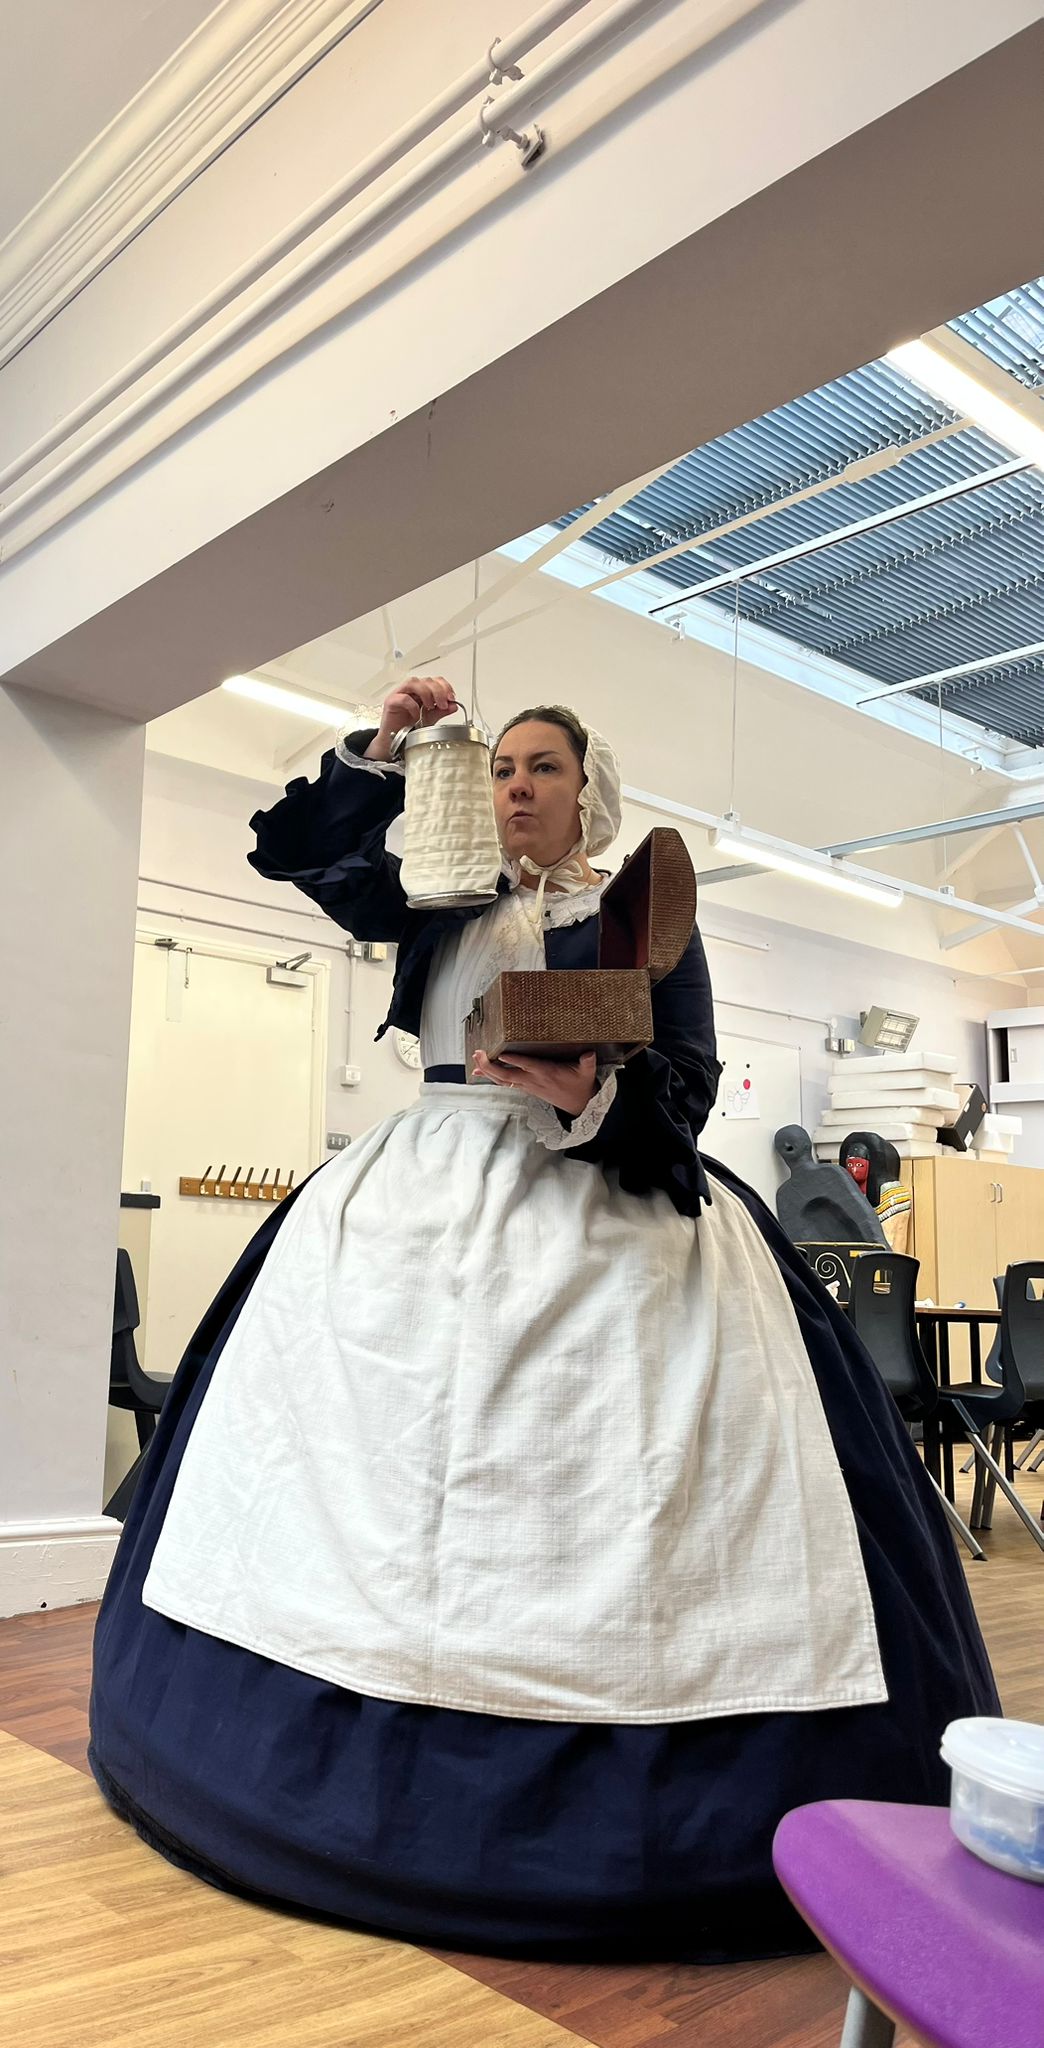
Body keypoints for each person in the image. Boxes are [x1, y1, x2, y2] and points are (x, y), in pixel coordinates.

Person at [90, 680, 997, 1962]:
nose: (516, 783)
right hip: (413, 1202)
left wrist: (590, 1093)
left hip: (605, 1209)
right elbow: (298, 852)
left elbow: (683, 1090)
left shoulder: (642, 916)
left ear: (588, 789)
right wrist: (383, 751)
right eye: (502, 766)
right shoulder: (431, 896)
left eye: (543, 767)